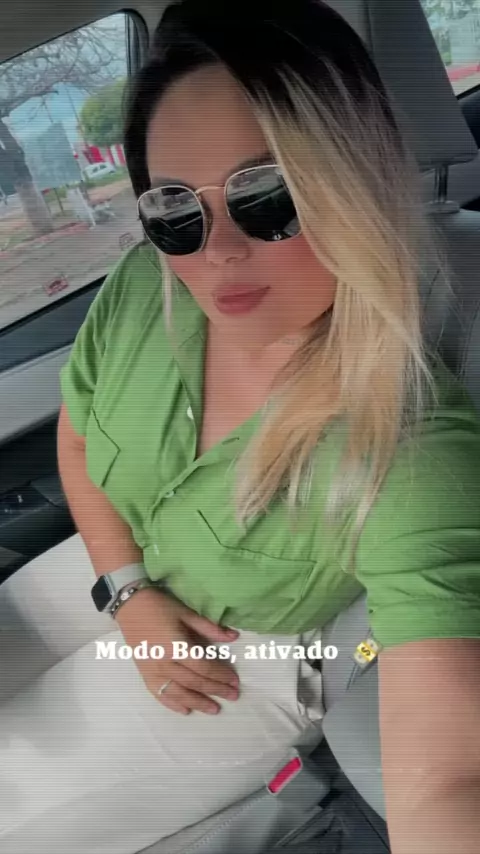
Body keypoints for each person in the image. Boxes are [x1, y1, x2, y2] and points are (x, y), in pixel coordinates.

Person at [1, 1, 480, 852]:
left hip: (242, 657)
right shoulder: (144, 290)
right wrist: (128, 594)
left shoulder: (409, 448)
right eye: (174, 208)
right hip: (116, 567)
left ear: (354, 179)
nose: (216, 250)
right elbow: (76, 441)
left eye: (268, 196)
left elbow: (442, 780)